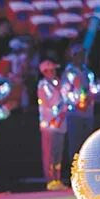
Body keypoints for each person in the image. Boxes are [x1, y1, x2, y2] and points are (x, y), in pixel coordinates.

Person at [61, 45, 99, 167]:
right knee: (75, 144)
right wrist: (78, 101)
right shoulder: (68, 73)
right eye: (80, 54)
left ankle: (86, 171)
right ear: (74, 56)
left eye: (84, 54)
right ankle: (74, 172)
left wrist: (91, 95)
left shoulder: (88, 73)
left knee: (87, 143)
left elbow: (94, 89)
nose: (82, 57)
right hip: (74, 114)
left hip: (88, 113)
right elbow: (64, 93)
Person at [37, 61, 68, 190]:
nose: (54, 73)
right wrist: (59, 88)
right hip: (49, 125)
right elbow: (52, 103)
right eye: (51, 70)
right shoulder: (43, 85)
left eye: (55, 70)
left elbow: (67, 99)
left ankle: (57, 178)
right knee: (49, 153)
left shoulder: (57, 84)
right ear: (45, 72)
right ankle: (50, 180)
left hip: (60, 124)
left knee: (57, 153)